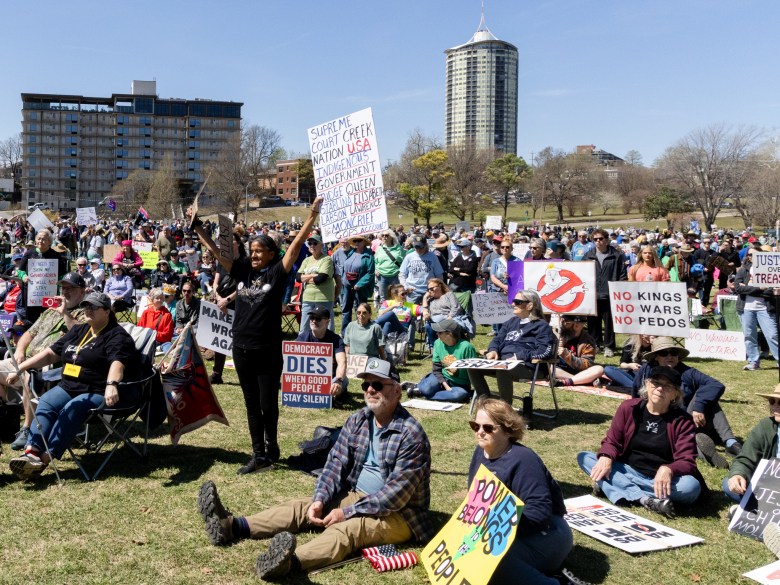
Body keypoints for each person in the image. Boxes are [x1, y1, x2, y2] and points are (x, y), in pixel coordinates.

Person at [196, 358, 432, 579]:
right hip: (358, 497)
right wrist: (321, 499)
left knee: (350, 529)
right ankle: (232, 526)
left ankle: (288, 563)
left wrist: (346, 512)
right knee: (304, 507)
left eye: (378, 384)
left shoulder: (411, 435)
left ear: (397, 391)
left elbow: (394, 497)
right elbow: (335, 464)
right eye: (366, 384)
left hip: (401, 515)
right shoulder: (358, 420)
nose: (370, 390)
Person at [192, 196, 323, 474]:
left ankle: (272, 443)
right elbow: (217, 252)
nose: (253, 255)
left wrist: (312, 215)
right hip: (241, 348)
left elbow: (296, 245)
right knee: (251, 404)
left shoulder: (277, 273)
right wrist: (198, 229)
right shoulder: (240, 272)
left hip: (267, 350)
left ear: (271, 254)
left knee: (267, 403)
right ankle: (259, 455)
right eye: (251, 251)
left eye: (259, 251)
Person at [8, 292, 140, 480]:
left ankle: (44, 459)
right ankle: (32, 452)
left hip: (97, 390)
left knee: (72, 408)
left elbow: (117, 363)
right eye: (86, 306)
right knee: (45, 402)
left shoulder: (117, 336)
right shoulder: (79, 330)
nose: (87, 310)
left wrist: (111, 384)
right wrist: (21, 367)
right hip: (69, 386)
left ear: (107, 311)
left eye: (93, 307)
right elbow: (50, 353)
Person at [469, 396, 585, 585]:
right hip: (503, 530)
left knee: (491, 561)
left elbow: (539, 513)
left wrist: (499, 531)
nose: (480, 432)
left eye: (488, 428)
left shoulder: (524, 459)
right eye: (476, 426)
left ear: (508, 430)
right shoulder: (479, 453)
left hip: (547, 533)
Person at [577, 366, 705, 519]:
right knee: (585, 457)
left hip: (663, 479)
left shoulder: (683, 420)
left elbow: (687, 461)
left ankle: (614, 486)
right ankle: (646, 499)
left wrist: (668, 469)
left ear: (675, 394)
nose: (659, 389)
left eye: (667, 386)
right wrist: (606, 456)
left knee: (691, 487)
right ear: (647, 384)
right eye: (655, 383)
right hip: (629, 469)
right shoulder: (629, 408)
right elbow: (612, 441)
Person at [2, 272, 87, 451]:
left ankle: (27, 429)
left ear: (82, 292)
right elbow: (29, 333)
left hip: (53, 365)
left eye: (71, 288)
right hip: (26, 358)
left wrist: (65, 313)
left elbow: (81, 336)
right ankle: (5, 418)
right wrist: (19, 351)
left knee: (29, 375)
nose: (65, 292)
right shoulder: (50, 311)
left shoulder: (86, 312)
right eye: (63, 288)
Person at [632, 336, 742, 468]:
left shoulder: (687, 371)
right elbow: (636, 397)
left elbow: (716, 385)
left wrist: (699, 406)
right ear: (656, 356)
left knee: (706, 396)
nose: (669, 356)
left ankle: (731, 443)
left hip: (687, 419)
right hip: (662, 422)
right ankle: (704, 452)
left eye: (673, 353)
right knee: (681, 440)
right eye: (664, 353)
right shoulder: (646, 373)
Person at [468, 290, 556, 404]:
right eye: (513, 301)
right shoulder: (511, 322)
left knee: (503, 370)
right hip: (503, 363)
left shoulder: (541, 326)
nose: (513, 304)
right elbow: (497, 339)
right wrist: (493, 350)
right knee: (473, 367)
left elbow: (545, 352)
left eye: (517, 302)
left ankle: (505, 409)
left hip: (529, 366)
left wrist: (519, 356)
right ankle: (486, 404)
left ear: (530, 305)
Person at [723, 384, 780, 502]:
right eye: (772, 401)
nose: (775, 406)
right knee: (729, 484)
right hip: (769, 487)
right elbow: (745, 458)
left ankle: (750, 508)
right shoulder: (766, 426)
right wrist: (738, 475)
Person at [408, 319, 477, 403]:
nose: (437, 334)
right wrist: (446, 385)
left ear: (449, 334)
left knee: (459, 394)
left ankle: (423, 392)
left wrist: (479, 391)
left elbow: (475, 372)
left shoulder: (466, 347)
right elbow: (436, 369)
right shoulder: (438, 343)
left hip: (460, 384)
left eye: (440, 332)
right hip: (441, 378)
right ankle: (424, 389)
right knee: (427, 389)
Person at [583, 228, 627, 357]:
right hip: (593, 295)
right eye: (595, 239)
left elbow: (622, 274)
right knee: (593, 323)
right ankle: (595, 345)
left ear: (607, 240)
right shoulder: (588, 255)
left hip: (610, 294)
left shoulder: (616, 255)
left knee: (609, 323)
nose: (598, 241)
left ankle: (609, 346)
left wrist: (619, 289)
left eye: (600, 239)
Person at [734, 248, 780, 371]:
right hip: (746, 308)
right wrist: (760, 288)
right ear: (748, 256)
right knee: (749, 335)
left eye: (756, 254)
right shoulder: (743, 270)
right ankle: (753, 361)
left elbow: (772, 291)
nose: (753, 256)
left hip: (765, 308)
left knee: (772, 335)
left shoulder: (771, 271)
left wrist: (749, 288)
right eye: (750, 254)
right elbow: (738, 288)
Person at [209, 231, 244, 385]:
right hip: (221, 303)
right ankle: (217, 373)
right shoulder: (221, 260)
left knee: (238, 340)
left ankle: (245, 374)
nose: (229, 243)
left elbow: (243, 287)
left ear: (239, 243)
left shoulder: (244, 262)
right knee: (220, 339)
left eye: (232, 240)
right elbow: (216, 282)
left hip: (238, 304)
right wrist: (218, 298)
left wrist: (228, 299)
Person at [296, 307, 348, 400]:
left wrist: (338, 380)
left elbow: (342, 361)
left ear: (327, 321)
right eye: (312, 318)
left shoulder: (336, 339)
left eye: (318, 319)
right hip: (308, 380)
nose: (314, 321)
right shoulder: (303, 337)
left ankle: (335, 392)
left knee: (343, 381)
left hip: (330, 378)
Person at [296, 234, 335, 331]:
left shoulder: (327, 259)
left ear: (321, 245)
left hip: (324, 298)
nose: (312, 245)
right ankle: (304, 345)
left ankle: (329, 345)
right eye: (310, 243)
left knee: (325, 328)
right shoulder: (306, 260)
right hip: (308, 297)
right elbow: (298, 278)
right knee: (304, 328)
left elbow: (321, 279)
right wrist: (313, 275)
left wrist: (306, 277)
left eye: (315, 243)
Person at [339, 234, 375, 337]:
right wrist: (343, 279)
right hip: (347, 285)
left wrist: (359, 284)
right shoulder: (351, 252)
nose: (357, 243)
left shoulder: (369, 255)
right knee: (346, 309)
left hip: (360, 287)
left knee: (361, 310)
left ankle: (361, 331)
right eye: (355, 241)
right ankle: (345, 333)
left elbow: (370, 273)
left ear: (364, 242)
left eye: (359, 241)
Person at [555, 314, 604, 387]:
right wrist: (555, 347)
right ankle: (583, 380)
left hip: (578, 371)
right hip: (559, 369)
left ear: (576, 325)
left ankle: (577, 379)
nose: (563, 323)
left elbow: (586, 364)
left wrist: (566, 355)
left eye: (566, 322)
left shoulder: (588, 341)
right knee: (550, 369)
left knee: (599, 369)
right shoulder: (557, 333)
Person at [398, 235, 444, 304]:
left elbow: (439, 275)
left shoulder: (433, 257)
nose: (418, 249)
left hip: (429, 291)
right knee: (410, 312)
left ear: (426, 245)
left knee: (428, 312)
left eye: (421, 247)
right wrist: (405, 287)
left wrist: (436, 288)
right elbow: (402, 274)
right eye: (416, 247)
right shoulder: (409, 256)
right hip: (412, 291)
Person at [422, 277, 466, 347]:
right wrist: (424, 298)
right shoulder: (430, 299)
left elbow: (456, 307)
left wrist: (450, 317)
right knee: (428, 326)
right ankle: (435, 347)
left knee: (443, 325)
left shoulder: (449, 295)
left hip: (448, 318)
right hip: (434, 321)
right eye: (428, 289)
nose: (430, 291)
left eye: (432, 288)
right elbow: (424, 310)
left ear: (439, 286)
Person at [137, 287, 174, 352]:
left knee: (169, 349)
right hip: (147, 341)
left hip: (162, 342)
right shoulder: (146, 312)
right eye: (157, 298)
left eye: (161, 298)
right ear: (152, 300)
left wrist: (153, 335)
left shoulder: (167, 315)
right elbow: (139, 329)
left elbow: (168, 334)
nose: (159, 300)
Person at [374, 229, 404, 301]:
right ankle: (384, 311)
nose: (384, 237)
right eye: (383, 235)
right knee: (383, 298)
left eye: (386, 235)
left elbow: (404, 261)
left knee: (397, 296)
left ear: (392, 237)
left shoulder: (399, 248)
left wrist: (401, 272)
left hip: (395, 275)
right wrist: (376, 270)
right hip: (382, 276)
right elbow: (375, 262)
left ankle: (398, 311)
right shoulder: (379, 248)